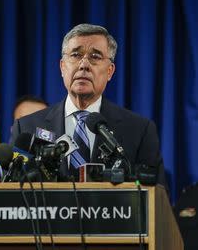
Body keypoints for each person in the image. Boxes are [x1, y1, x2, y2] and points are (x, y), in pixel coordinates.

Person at [10, 23, 166, 185]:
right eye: (76, 55)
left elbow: (156, 197)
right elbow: (10, 194)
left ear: (110, 71)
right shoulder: (27, 127)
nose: (84, 65)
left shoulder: (139, 130)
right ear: (62, 67)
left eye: (95, 57)